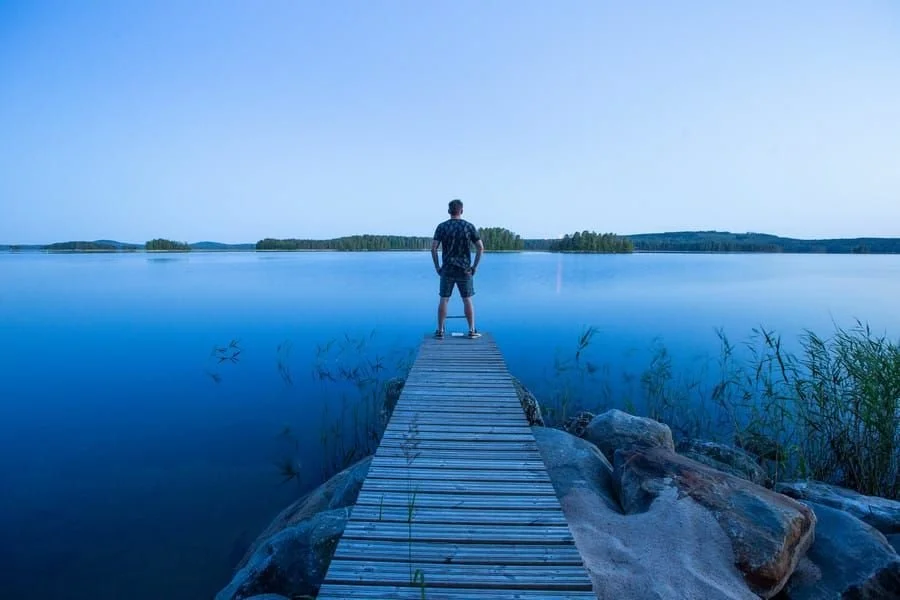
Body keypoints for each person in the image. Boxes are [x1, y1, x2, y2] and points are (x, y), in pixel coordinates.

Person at [431, 199, 484, 338]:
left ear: (449, 211)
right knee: (467, 299)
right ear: (461, 211)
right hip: (465, 269)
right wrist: (474, 267)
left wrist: (437, 267)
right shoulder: (469, 227)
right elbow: (480, 247)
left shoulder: (442, 227)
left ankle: (440, 331)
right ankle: (472, 330)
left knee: (444, 299)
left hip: (447, 269)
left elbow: (433, 248)